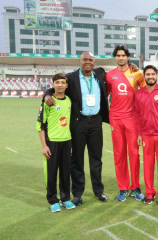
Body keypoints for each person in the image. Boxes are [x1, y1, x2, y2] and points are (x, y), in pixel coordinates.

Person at [44, 52, 109, 206]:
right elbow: (53, 87)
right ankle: (78, 194)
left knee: (96, 159)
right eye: (85, 59)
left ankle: (98, 191)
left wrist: (132, 67)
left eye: (91, 60)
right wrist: (46, 95)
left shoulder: (99, 73)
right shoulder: (71, 78)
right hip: (78, 123)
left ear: (94, 62)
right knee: (77, 160)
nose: (88, 62)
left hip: (96, 123)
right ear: (79, 62)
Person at [106, 46, 145, 201]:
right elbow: (105, 94)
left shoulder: (137, 74)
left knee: (134, 154)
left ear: (128, 57)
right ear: (115, 58)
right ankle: (123, 188)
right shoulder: (110, 75)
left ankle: (135, 187)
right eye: (118, 55)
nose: (121, 58)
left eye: (123, 55)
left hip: (132, 119)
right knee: (119, 154)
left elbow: (146, 92)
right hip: (115, 119)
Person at [36, 73, 76, 212]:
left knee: (65, 172)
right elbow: (41, 125)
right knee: (51, 173)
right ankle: (53, 200)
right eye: (57, 82)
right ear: (53, 84)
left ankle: (65, 198)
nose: (60, 85)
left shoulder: (69, 100)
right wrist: (44, 145)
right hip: (52, 142)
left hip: (67, 141)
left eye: (62, 82)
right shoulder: (48, 102)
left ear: (66, 85)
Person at [135, 65, 158, 207]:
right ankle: (150, 192)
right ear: (144, 76)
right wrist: (139, 133)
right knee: (148, 166)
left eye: (153, 74)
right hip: (146, 136)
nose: (150, 77)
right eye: (148, 74)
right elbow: (137, 115)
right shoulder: (139, 94)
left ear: (156, 76)